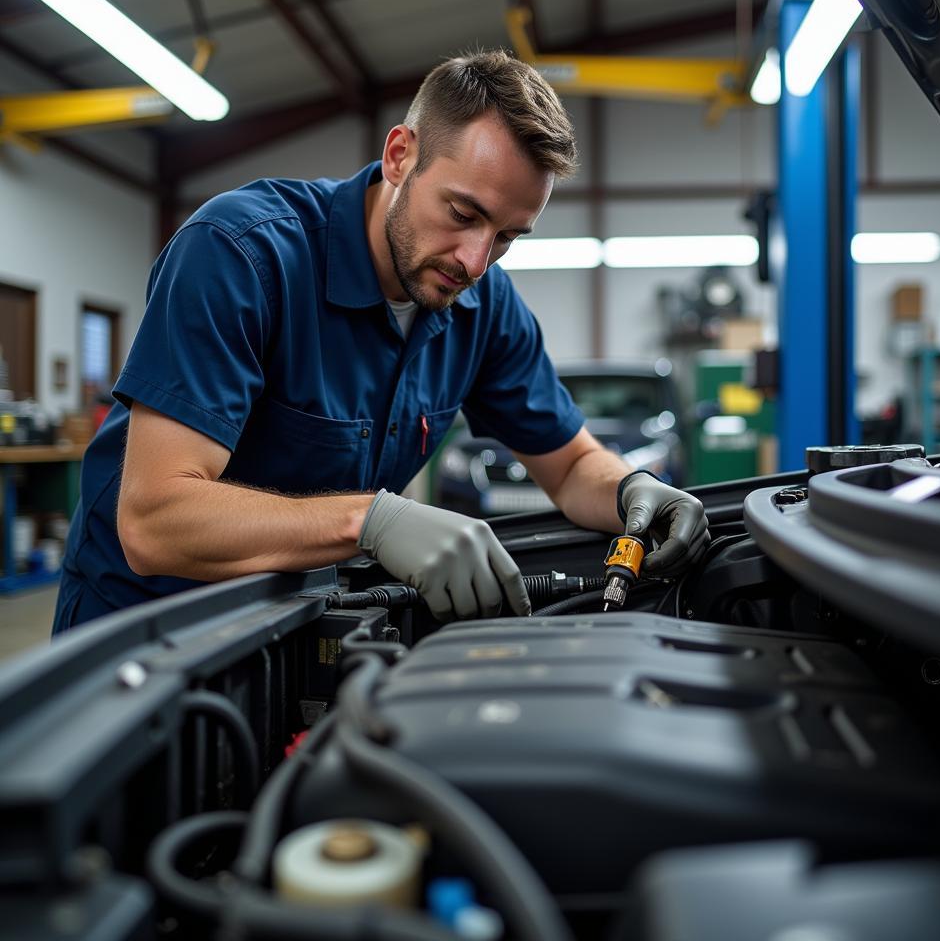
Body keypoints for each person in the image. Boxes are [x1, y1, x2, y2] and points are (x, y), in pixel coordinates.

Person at [52, 49, 708, 632]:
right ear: (400, 156)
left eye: (508, 236)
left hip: (303, 626)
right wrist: (370, 521)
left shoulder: (483, 305)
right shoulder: (240, 256)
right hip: (142, 641)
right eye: (463, 214)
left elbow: (567, 467)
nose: (477, 260)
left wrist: (630, 490)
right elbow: (154, 519)